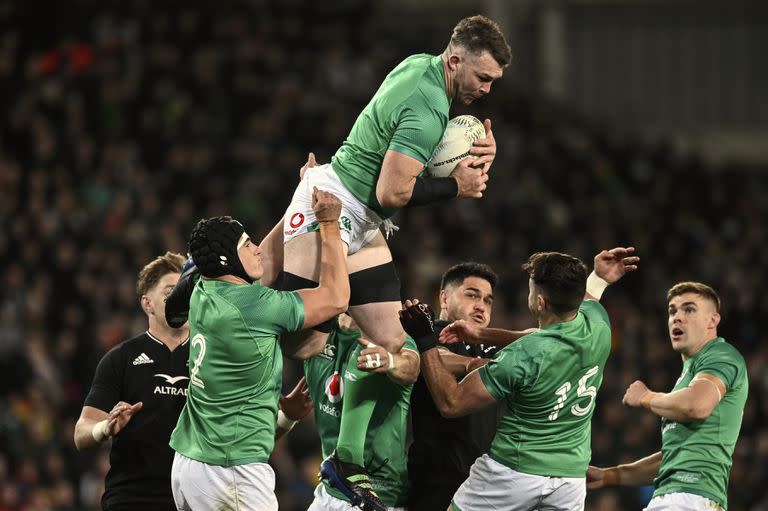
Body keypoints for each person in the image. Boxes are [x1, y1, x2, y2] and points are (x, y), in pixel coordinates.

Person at [281, 15, 513, 501]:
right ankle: (212, 269)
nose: (488, 89)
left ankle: (345, 461)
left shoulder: (421, 67)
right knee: (300, 345)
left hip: (362, 221)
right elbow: (392, 190)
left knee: (394, 347)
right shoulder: (430, 106)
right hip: (335, 203)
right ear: (456, 61)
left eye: (494, 81)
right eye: (483, 78)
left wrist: (469, 144)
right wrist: (458, 185)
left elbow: (409, 148)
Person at [400, 247, 639, 511]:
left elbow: (451, 403)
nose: (481, 305)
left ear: (540, 302)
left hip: (513, 472)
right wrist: (599, 278)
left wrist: (424, 340)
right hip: (569, 479)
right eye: (472, 296)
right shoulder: (599, 324)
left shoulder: (520, 357)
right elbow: (555, 327)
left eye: (531, 288)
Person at [169, 188, 349, 511]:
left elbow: (263, 259)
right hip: (231, 472)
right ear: (228, 260)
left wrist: (300, 196)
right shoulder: (255, 307)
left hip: (188, 462)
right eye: (247, 245)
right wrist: (329, 224)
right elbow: (336, 297)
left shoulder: (203, 288)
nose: (256, 249)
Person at [586, 282, 748, 511]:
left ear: (713, 320)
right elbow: (673, 457)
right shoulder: (688, 376)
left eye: (689, 309)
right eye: (672, 311)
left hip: (692, 497)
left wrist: (646, 396)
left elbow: (697, 405)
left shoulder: (721, 355)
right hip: (674, 498)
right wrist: (611, 476)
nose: (677, 317)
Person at [73, 252, 189, 511]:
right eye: (171, 291)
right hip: (132, 499)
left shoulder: (213, 360)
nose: (182, 297)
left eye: (186, 289)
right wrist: (106, 427)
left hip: (195, 499)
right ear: (147, 304)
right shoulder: (121, 358)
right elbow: (81, 433)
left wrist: (286, 418)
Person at [408, 262, 528, 511]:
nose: (481, 306)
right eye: (472, 295)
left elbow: (544, 338)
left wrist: (485, 336)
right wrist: (472, 364)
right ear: (444, 297)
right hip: (436, 481)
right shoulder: (425, 334)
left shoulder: (491, 346)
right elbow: (431, 356)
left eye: (488, 301)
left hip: (485, 482)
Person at [302, 313, 419, 511]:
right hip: (328, 491)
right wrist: (287, 418)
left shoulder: (392, 339)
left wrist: (390, 361)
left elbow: (411, 366)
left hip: (378, 495)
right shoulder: (318, 336)